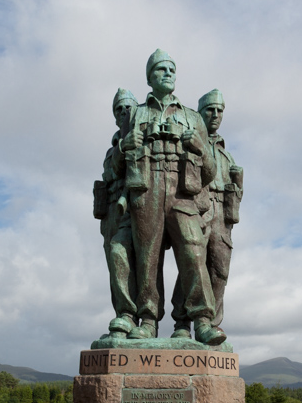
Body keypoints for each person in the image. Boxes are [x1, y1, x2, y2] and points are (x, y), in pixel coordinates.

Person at [119, 49, 225, 345]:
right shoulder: (137, 113)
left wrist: (202, 149)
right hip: (147, 188)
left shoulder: (192, 117)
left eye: (172, 70)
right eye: (161, 70)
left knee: (194, 252)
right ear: (149, 77)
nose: (168, 74)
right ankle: (148, 320)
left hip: (182, 193)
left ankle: (202, 320)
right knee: (147, 258)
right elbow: (118, 161)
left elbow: (211, 171)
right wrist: (126, 145)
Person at [170, 89, 242, 338]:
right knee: (193, 262)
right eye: (210, 109)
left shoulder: (225, 153)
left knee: (220, 270)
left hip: (223, 211)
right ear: (199, 113)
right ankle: (182, 322)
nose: (215, 114)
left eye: (220, 110)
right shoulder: (188, 139)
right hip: (198, 205)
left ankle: (212, 322)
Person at [93, 88, 139, 337]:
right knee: (116, 264)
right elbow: (110, 173)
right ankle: (124, 316)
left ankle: (140, 318)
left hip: (138, 207)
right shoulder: (112, 150)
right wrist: (123, 148)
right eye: (118, 109)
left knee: (140, 264)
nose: (123, 112)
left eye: (128, 107)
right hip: (112, 211)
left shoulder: (145, 138)